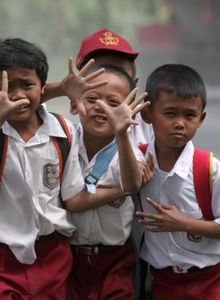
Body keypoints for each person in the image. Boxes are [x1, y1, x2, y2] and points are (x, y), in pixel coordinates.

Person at [0, 37, 126, 299]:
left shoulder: (64, 132)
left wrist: (122, 189)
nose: (16, 95)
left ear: (42, 87)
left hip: (53, 258)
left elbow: (73, 198)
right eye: (5, 87)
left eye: (27, 85)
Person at [135, 64, 220, 300]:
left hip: (212, 282)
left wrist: (182, 223)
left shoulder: (209, 169)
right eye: (170, 113)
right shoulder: (135, 161)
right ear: (147, 114)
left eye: (189, 115)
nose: (180, 123)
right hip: (162, 283)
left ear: (201, 118)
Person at [64, 65, 151, 300]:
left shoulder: (129, 152)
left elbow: (132, 184)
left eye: (113, 103)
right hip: (68, 259)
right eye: (92, 99)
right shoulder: (63, 144)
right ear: (74, 105)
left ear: (130, 113)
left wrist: (122, 133)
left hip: (115, 259)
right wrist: (117, 191)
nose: (101, 107)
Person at [42, 28, 154, 146]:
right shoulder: (65, 137)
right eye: (99, 71)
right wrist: (60, 88)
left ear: (134, 84)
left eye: (118, 72)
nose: (108, 79)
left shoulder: (152, 123)